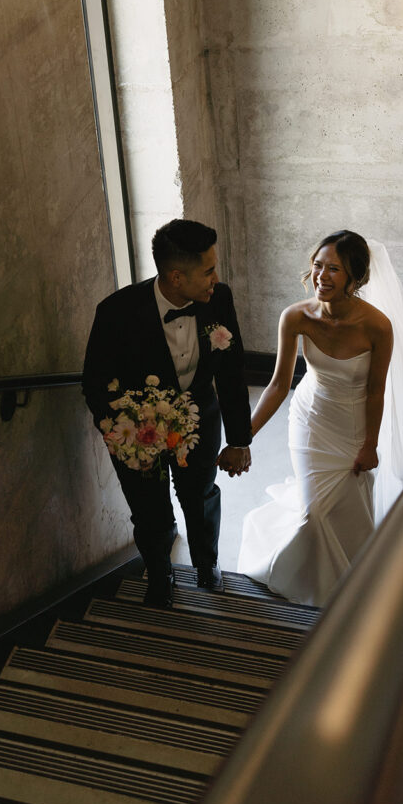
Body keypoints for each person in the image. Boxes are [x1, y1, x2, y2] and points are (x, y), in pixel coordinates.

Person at [83, 219, 252, 608]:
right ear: (176, 277)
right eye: (208, 270)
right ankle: (159, 573)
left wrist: (240, 439)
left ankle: (207, 566)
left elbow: (231, 372)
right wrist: (126, 436)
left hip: (199, 420)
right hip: (135, 435)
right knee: (149, 509)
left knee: (201, 496)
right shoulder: (116, 312)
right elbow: (95, 383)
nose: (216, 278)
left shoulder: (219, 299)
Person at [236, 230, 393, 608]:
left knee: (346, 509)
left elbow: (375, 392)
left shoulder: (378, 326)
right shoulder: (296, 317)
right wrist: (244, 437)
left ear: (356, 277)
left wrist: (370, 444)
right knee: (314, 512)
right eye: (318, 266)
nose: (322, 276)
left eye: (334, 269)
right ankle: (308, 586)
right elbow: (276, 386)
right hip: (310, 420)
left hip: (352, 426)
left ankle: (353, 580)